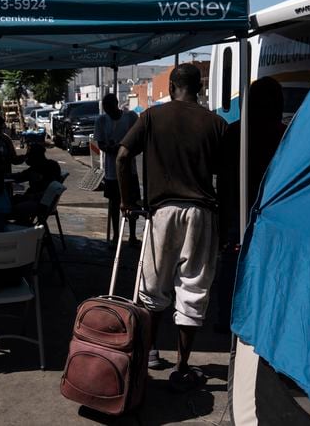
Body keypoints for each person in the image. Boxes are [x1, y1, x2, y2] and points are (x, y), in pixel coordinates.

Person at [116, 63, 227, 391]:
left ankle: (148, 355)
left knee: (152, 290)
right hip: (201, 213)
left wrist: (127, 200)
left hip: (161, 212)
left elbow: (122, 156)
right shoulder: (217, 123)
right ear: (199, 88)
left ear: (171, 87)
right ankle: (182, 366)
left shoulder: (151, 117)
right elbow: (226, 173)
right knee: (192, 290)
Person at [215, 77, 287, 333]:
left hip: (237, 210)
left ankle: (227, 317)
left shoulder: (235, 132)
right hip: (272, 213)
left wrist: (222, 220)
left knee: (233, 265)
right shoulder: (284, 135)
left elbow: (223, 179)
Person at [94, 93, 140, 247]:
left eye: (110, 106)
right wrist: (110, 148)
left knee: (131, 203)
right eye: (106, 108)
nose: (108, 110)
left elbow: (138, 139)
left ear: (116, 104)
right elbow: (100, 143)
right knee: (114, 204)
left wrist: (123, 148)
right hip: (112, 172)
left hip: (129, 169)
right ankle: (116, 235)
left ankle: (132, 235)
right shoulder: (101, 121)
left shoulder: (130, 117)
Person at [9, 143, 62, 224]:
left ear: (36, 156)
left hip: (41, 202)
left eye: (29, 155)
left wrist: (27, 197)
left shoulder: (41, 168)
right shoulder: (47, 165)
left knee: (10, 207)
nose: (27, 158)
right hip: (44, 202)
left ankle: (23, 227)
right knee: (13, 200)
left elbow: (43, 193)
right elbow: (19, 176)